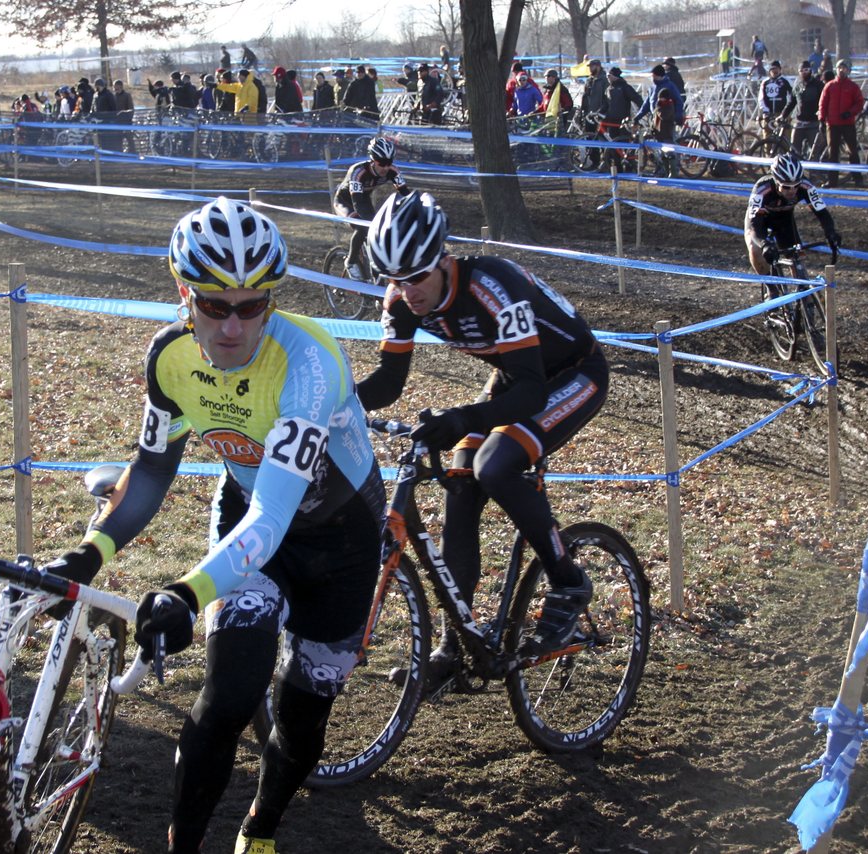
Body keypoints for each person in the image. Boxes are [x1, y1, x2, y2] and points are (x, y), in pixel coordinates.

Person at [42, 197, 383, 854]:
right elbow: (149, 475)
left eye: (252, 306)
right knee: (227, 696)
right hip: (253, 537)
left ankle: (260, 830)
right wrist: (89, 555)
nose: (232, 326)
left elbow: (276, 512)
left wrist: (185, 593)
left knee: (303, 718)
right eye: (213, 305)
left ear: (271, 301)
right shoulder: (170, 360)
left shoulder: (309, 362)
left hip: (340, 542)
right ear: (182, 293)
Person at [358, 190, 608, 684]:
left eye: (415, 277)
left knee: (493, 464)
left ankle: (568, 583)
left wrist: (459, 418)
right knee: (459, 480)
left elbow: (533, 393)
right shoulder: (401, 300)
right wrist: (329, 402)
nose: (406, 291)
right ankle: (457, 646)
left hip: (573, 374)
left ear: (442, 259)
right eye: (393, 279)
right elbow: (386, 385)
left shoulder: (494, 284)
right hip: (515, 375)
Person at [744, 152, 840, 277]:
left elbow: (821, 212)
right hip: (760, 220)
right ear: (776, 181)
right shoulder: (761, 189)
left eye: (796, 186)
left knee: (796, 258)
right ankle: (772, 291)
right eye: (786, 187)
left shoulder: (806, 186)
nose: (792, 191)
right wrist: (764, 244)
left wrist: (831, 232)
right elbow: (754, 225)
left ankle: (802, 289)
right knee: (754, 248)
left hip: (784, 219)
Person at [333, 137, 408, 280]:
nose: (386, 167)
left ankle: (374, 278)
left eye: (389, 162)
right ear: (373, 160)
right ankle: (351, 261)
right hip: (345, 201)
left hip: (364, 199)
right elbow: (357, 203)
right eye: (382, 163)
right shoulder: (358, 172)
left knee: (377, 237)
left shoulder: (392, 171)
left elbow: (406, 194)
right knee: (363, 227)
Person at [818, 59, 864, 187]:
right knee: (832, 153)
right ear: (836, 70)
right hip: (832, 124)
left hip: (848, 123)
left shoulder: (853, 86)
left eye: (844, 68)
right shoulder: (829, 85)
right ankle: (832, 181)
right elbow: (822, 103)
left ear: (848, 70)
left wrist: (850, 112)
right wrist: (822, 119)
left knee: (852, 151)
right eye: (839, 68)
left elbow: (859, 103)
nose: (841, 70)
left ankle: (857, 178)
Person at [600, 66, 643, 170]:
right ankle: (617, 166)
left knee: (625, 144)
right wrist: (599, 113)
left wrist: (642, 111)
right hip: (611, 121)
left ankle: (629, 165)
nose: (608, 77)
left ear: (615, 76)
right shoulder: (608, 89)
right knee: (614, 145)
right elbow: (606, 104)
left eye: (609, 75)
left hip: (624, 121)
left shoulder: (625, 87)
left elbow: (636, 98)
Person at [791, 60, 826, 159]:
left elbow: (824, 101)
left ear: (810, 70)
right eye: (801, 70)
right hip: (799, 122)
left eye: (806, 70)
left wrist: (822, 115)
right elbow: (792, 102)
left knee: (815, 151)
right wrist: (783, 115)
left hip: (813, 123)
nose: (804, 72)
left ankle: (815, 173)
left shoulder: (818, 84)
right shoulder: (797, 85)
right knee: (794, 150)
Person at [760, 60, 796, 127]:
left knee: (785, 134)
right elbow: (761, 98)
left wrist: (788, 112)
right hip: (768, 113)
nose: (774, 71)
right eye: (772, 69)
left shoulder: (786, 81)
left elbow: (793, 97)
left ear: (780, 69)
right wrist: (765, 111)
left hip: (782, 113)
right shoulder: (765, 82)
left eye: (776, 68)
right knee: (767, 135)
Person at [580, 58, 609, 127]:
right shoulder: (589, 80)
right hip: (589, 113)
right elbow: (585, 95)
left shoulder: (605, 80)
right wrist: (583, 110)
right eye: (589, 66)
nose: (590, 68)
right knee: (588, 134)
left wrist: (601, 110)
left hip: (599, 114)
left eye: (592, 66)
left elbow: (607, 98)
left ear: (598, 67)